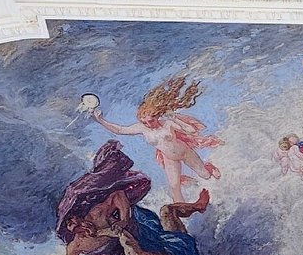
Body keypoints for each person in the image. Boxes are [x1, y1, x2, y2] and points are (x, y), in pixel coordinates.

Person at [37, 140, 205, 255]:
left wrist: (124, 220)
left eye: (75, 221)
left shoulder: (97, 214)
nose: (78, 226)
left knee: (167, 223)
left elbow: (118, 195)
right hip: (125, 252)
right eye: (73, 227)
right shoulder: (78, 244)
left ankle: (198, 207)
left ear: (78, 215)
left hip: (139, 232)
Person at [92, 76, 222, 203]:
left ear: (157, 116)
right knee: (174, 186)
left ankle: (208, 167)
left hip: (185, 152)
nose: (149, 124)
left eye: (151, 121)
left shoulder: (167, 123)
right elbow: (120, 130)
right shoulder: (142, 128)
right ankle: (181, 209)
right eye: (145, 122)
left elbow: (191, 130)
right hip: (169, 158)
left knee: (205, 175)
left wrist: (175, 119)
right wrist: (100, 120)